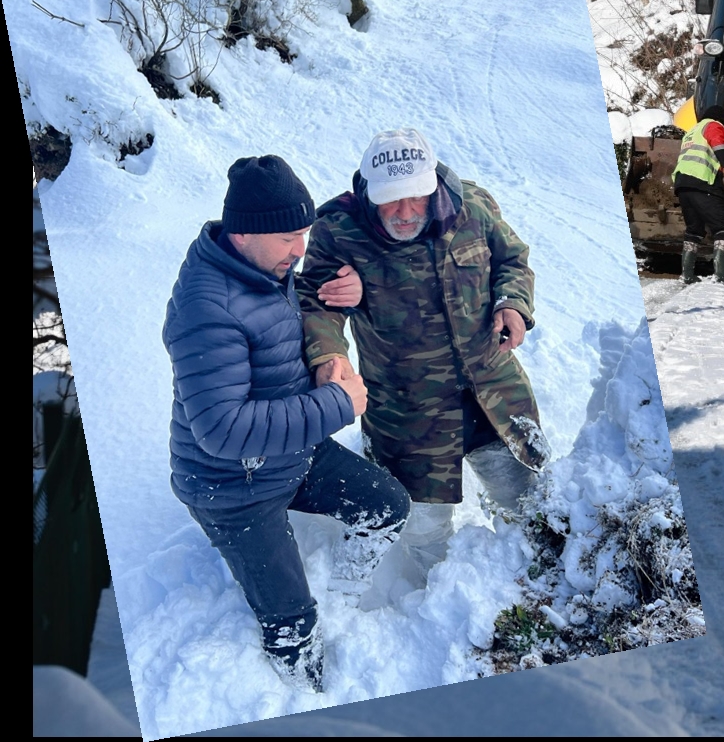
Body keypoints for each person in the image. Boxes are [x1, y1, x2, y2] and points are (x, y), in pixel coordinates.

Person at [163, 156, 409, 693]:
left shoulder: (259, 264)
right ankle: (305, 697)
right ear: (244, 232)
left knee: (388, 507)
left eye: (304, 234)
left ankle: (343, 588)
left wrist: (327, 345)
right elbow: (221, 430)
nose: (299, 250)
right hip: (233, 488)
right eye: (288, 239)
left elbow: (282, 319)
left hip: (293, 453)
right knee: (292, 627)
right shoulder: (207, 310)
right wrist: (339, 405)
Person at [296, 128, 546, 582]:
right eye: (391, 200)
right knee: (424, 528)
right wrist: (330, 355)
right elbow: (313, 300)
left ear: (433, 185)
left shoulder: (474, 207)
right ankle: (444, 596)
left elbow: (513, 260)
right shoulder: (339, 230)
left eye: (416, 198)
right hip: (408, 414)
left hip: (494, 396)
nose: (405, 212)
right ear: (369, 191)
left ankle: (536, 578)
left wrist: (512, 303)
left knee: (524, 500)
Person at [671, 105, 724, 283]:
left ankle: (686, 274)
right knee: (723, 228)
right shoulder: (713, 125)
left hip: (682, 185)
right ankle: (720, 275)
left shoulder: (692, 131)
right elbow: (717, 143)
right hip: (702, 183)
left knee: (694, 230)